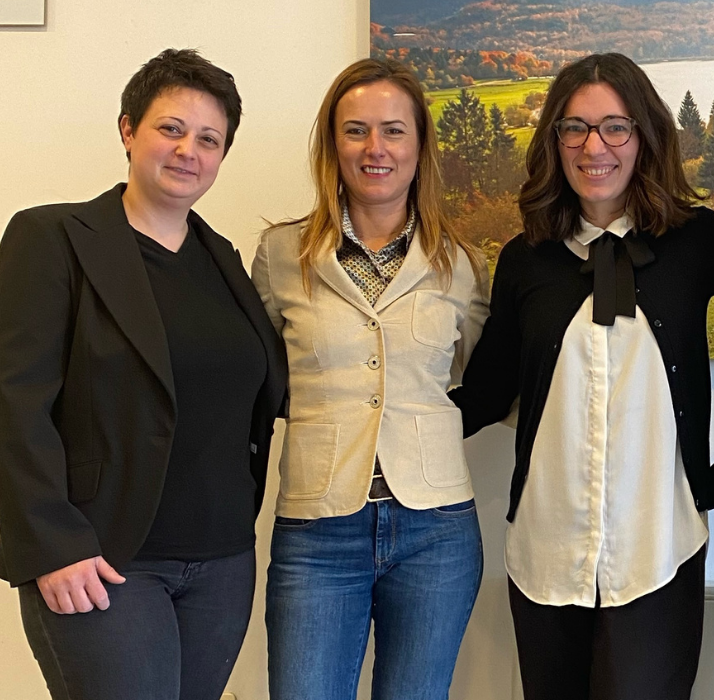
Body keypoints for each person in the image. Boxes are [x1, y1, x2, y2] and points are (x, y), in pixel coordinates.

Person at [448, 53, 714, 700]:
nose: (594, 147)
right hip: (545, 552)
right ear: (554, 141)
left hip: (658, 548)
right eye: (574, 128)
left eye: (615, 127)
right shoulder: (525, 259)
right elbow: (487, 391)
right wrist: (390, 427)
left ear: (645, 136)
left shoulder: (696, 238)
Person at [0, 48, 287, 700]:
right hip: (105, 559)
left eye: (208, 139)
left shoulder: (224, 261)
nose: (187, 151)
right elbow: (17, 403)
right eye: (170, 129)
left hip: (222, 563)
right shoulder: (53, 238)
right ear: (128, 130)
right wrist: (52, 543)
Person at [253, 58, 489, 700]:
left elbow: (473, 378)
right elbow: (260, 379)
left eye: (393, 130)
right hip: (318, 529)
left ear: (419, 146)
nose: (374, 148)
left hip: (436, 530)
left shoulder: (462, 265)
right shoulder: (280, 254)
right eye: (355, 130)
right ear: (333, 145)